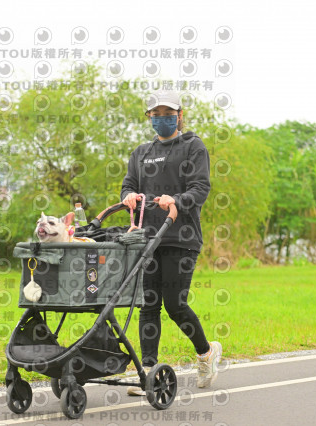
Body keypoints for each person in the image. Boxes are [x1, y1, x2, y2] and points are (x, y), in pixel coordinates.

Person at [120, 89, 222, 395]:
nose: (162, 119)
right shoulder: (141, 152)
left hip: (181, 237)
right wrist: (128, 196)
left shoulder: (193, 146)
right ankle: (147, 372)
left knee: (175, 304)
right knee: (148, 305)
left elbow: (200, 188)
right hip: (148, 239)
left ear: (179, 116)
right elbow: (128, 184)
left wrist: (176, 200)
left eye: (168, 114)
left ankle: (206, 353)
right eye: (156, 114)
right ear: (149, 117)